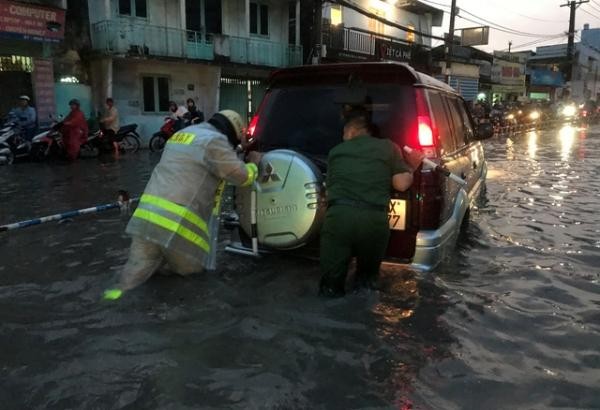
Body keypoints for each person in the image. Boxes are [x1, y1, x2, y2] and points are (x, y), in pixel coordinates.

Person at [103, 110, 259, 300]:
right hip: (178, 225)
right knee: (194, 279)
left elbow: (203, 159)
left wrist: (237, 149)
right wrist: (254, 165)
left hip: (147, 217)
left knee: (134, 275)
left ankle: (111, 298)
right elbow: (240, 175)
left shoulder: (184, 134)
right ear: (231, 133)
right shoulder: (215, 141)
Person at [318, 107, 425, 297]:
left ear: (351, 131)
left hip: (338, 219)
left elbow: (329, 187)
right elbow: (401, 184)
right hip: (373, 221)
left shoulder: (335, 152)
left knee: (329, 287)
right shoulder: (389, 147)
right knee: (366, 283)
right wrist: (413, 165)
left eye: (344, 133)